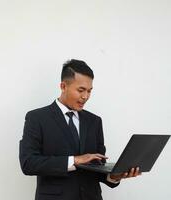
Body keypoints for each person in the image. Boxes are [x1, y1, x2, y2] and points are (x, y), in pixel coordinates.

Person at [19, 59, 141, 200]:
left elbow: (97, 168)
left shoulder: (95, 121)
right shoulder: (37, 118)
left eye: (89, 91)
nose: (85, 97)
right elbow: (28, 163)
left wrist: (113, 176)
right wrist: (74, 160)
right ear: (63, 86)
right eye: (81, 90)